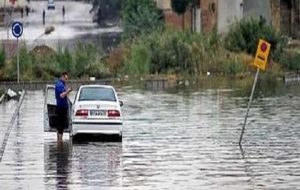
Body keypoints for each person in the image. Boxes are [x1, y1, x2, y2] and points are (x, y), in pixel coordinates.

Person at [55, 72, 72, 142]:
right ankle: (59, 141)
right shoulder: (60, 85)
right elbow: (61, 95)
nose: (66, 80)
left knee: (60, 125)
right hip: (61, 108)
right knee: (61, 125)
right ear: (62, 77)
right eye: (65, 78)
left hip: (62, 107)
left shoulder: (61, 84)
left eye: (67, 79)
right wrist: (68, 91)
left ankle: (59, 140)